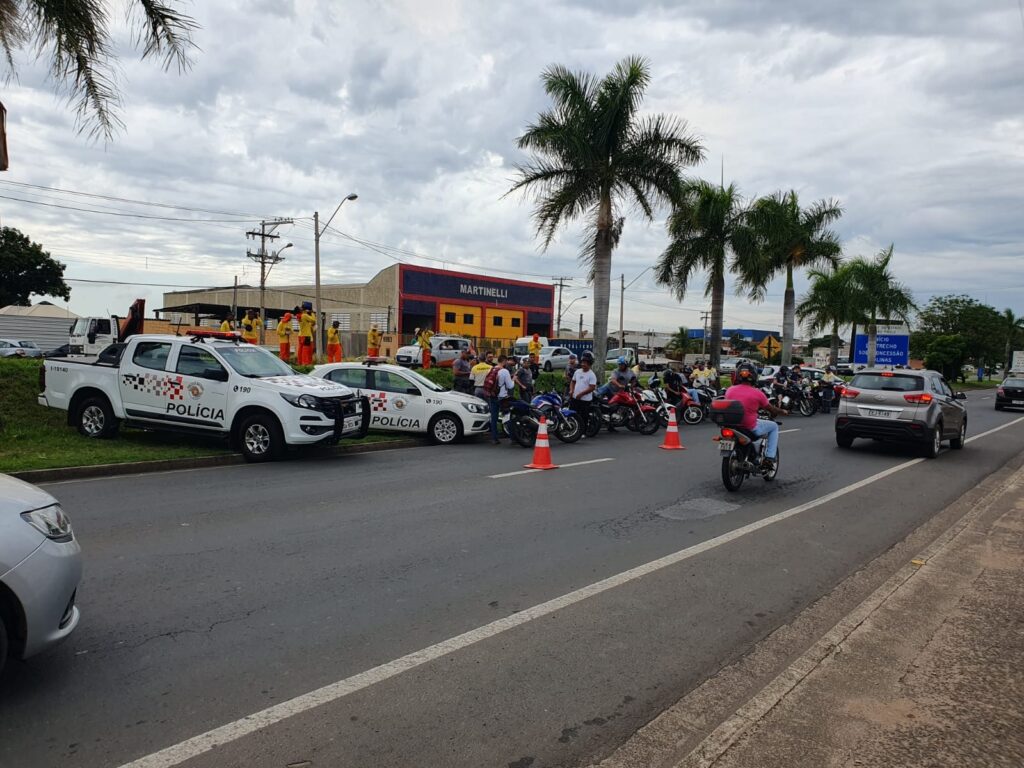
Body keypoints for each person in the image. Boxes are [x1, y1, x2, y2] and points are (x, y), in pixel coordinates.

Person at [724, 361, 788, 471]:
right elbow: (771, 408)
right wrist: (782, 411)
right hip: (749, 426)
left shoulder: (730, 390)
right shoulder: (758, 393)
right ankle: (769, 458)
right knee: (774, 426)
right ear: (754, 376)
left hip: (732, 424)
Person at [569, 351, 598, 436]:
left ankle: (583, 432)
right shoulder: (577, 372)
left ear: (589, 364)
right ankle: (573, 431)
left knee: (583, 417)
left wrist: (581, 394)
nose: (583, 364)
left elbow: (592, 387)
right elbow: (573, 382)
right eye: (582, 362)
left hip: (585, 400)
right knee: (573, 414)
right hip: (575, 398)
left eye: (585, 363)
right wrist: (571, 390)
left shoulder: (592, 375)